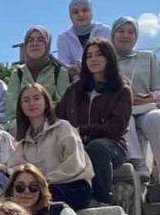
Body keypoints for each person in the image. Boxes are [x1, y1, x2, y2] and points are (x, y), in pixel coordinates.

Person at [56, 38, 132, 205]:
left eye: (99, 55)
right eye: (89, 56)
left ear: (109, 58)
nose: (93, 59)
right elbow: (57, 117)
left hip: (112, 147)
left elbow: (115, 129)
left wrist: (81, 130)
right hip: (78, 145)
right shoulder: (75, 89)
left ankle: (102, 199)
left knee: (96, 147)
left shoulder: (122, 90)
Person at [111, 16, 160, 184]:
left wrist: (149, 97)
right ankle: (139, 165)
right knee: (123, 117)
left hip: (146, 109)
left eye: (131, 32)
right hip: (121, 110)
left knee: (158, 117)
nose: (125, 35)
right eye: (121, 31)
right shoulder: (106, 61)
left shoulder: (149, 58)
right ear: (113, 34)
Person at [6, 83, 95, 210]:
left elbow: (75, 163)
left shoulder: (63, 127)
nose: (31, 103)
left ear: (46, 102)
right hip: (38, 189)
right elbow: (15, 166)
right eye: (26, 100)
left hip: (72, 186)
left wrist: (44, 181)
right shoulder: (23, 139)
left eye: (36, 98)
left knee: (38, 197)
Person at [5, 26, 71, 127]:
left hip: (51, 124)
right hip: (21, 124)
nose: (34, 44)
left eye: (40, 40)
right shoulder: (18, 73)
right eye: (30, 40)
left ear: (47, 45)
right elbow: (11, 105)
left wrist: (39, 117)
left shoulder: (58, 72)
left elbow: (63, 104)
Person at [57, 0, 112, 79]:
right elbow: (63, 64)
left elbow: (111, 58)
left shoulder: (105, 31)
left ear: (91, 12)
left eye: (85, 10)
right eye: (75, 12)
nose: (81, 14)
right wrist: (73, 68)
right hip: (78, 81)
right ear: (70, 16)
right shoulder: (64, 38)